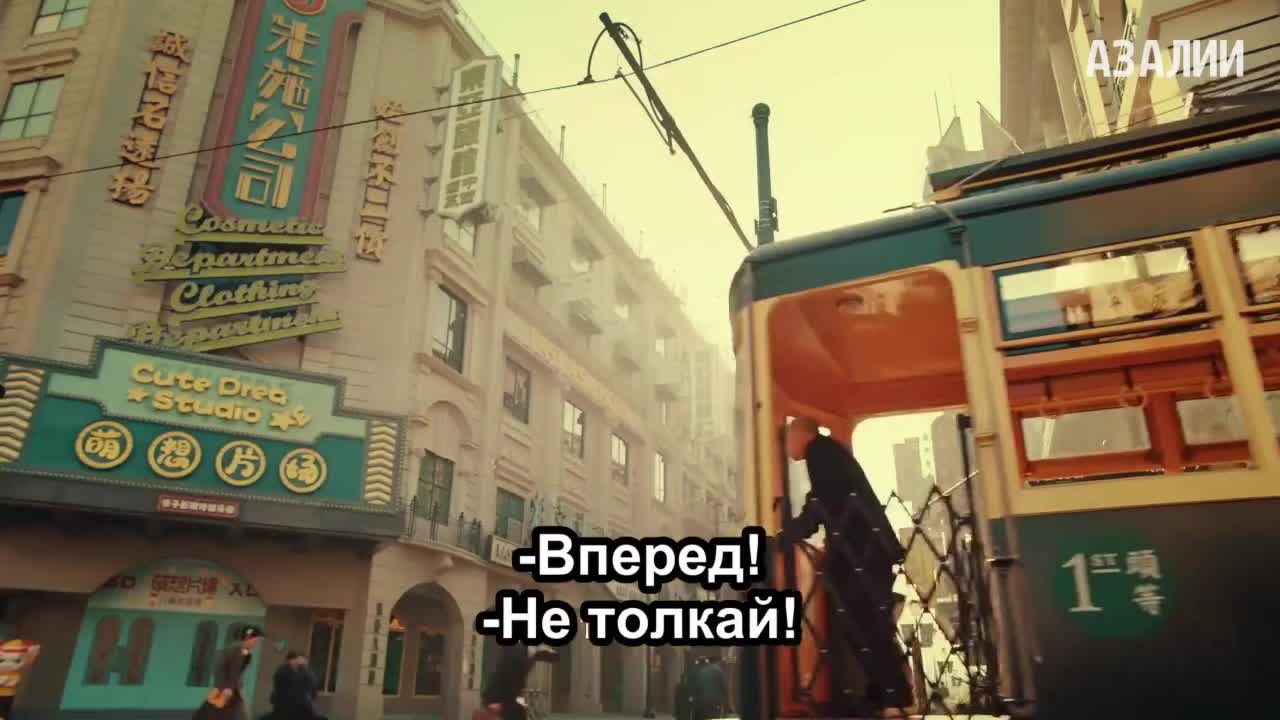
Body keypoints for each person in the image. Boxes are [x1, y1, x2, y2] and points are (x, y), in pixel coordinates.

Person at [778, 417, 910, 716]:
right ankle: (885, 692)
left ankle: (894, 695)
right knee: (867, 623)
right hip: (865, 551)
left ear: (800, 435)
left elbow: (821, 502)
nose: (786, 448)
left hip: (862, 553)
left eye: (787, 441)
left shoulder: (819, 453)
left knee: (865, 624)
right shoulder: (829, 452)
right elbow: (828, 500)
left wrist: (790, 533)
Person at [194, 625, 265, 720]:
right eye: (255, 641)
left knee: (224, 712)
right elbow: (225, 669)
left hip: (230, 689)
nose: (255, 644)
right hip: (227, 689)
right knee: (216, 712)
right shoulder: (236, 650)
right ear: (248, 638)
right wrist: (227, 687)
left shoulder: (243, 651)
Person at [478, 644, 558, 720]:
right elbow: (504, 677)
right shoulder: (517, 652)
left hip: (507, 700)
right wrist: (496, 702)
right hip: (498, 699)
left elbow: (516, 682)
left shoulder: (529, 657)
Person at [268, 652, 323, 720]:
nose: (297, 663)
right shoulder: (285, 672)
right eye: (297, 661)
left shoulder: (305, 673)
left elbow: (312, 688)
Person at [688, 655, 730, 720]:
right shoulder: (718, 671)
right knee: (714, 717)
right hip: (715, 702)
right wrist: (726, 705)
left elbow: (692, 689)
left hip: (701, 703)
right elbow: (724, 688)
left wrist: (692, 702)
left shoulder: (696, 672)